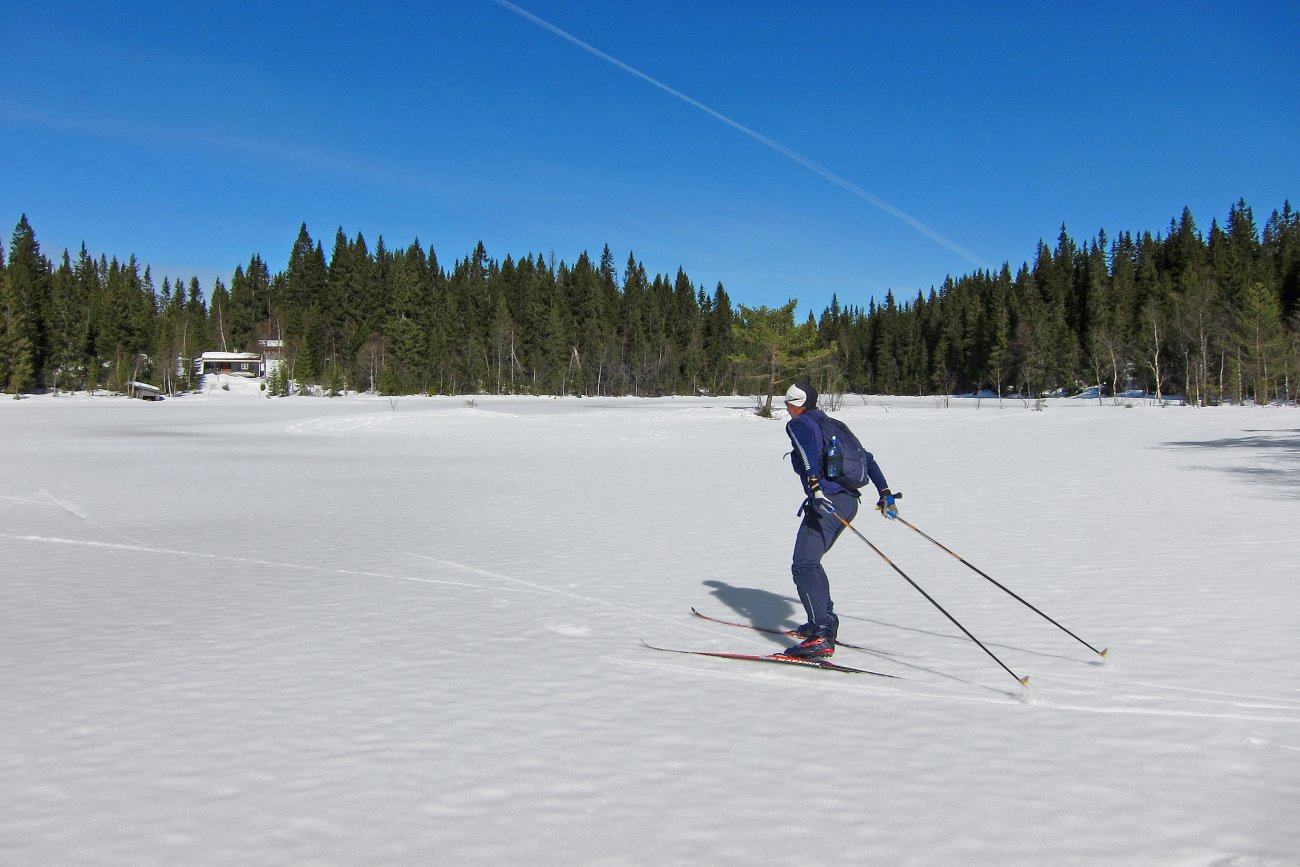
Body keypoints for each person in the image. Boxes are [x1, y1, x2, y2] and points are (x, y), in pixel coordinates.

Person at [781, 382, 899, 659]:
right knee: (811, 562)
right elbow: (866, 459)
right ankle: (823, 621)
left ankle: (821, 633)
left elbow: (806, 453)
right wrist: (884, 493)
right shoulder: (833, 424)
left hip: (827, 502)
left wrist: (814, 486)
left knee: (804, 564)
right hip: (848, 503)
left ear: (797, 404)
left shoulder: (799, 425)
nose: (786, 408)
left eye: (788, 403)